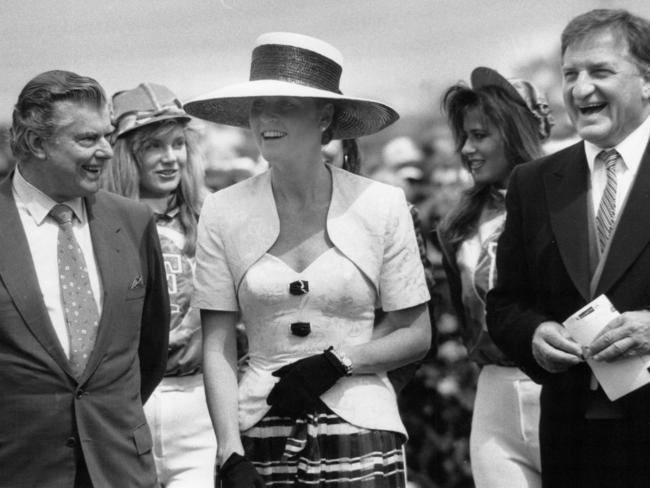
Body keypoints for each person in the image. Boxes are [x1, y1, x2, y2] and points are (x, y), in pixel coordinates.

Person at [186, 32, 431, 487]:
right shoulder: (223, 209)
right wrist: (229, 453)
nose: (267, 117)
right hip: (259, 429)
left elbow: (415, 335)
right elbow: (217, 342)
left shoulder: (381, 203)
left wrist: (337, 362)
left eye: (285, 103)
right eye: (259, 104)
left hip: (362, 430)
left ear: (326, 117)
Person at [486, 9, 650, 488]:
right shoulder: (534, 182)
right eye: (570, 74)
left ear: (647, 82)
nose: (581, 90)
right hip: (573, 440)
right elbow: (506, 304)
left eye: (600, 72)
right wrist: (534, 334)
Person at [1, 70, 169, 487]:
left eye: (107, 135)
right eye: (87, 139)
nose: (107, 151)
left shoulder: (133, 221)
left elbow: (150, 350)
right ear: (37, 143)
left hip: (120, 469)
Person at [437, 67, 553, 488]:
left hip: (565, 388)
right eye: (464, 137)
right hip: (494, 394)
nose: (466, 149)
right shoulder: (458, 226)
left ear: (515, 132)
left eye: (480, 135)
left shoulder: (571, 204)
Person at [102, 82, 216, 487]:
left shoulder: (210, 218)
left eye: (178, 143)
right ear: (125, 154)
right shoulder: (96, 222)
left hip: (198, 403)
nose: (171, 159)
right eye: (153, 146)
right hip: (124, 405)